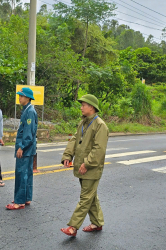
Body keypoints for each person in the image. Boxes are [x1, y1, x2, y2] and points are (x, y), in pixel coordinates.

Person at [60, 94, 109, 237]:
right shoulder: (83, 123)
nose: (81, 108)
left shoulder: (100, 125)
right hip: (83, 167)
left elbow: (99, 149)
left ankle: (73, 227)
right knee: (91, 196)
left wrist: (87, 164)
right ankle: (97, 223)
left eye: (83, 105)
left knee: (85, 197)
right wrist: (67, 156)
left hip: (91, 168)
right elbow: (75, 139)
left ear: (92, 107)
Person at [6, 87, 38, 210]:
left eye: (22, 96)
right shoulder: (27, 110)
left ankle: (19, 201)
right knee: (28, 173)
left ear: (28, 98)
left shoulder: (29, 111)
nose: (20, 98)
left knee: (21, 173)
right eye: (19, 96)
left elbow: (28, 133)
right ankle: (26, 197)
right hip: (29, 148)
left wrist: (21, 147)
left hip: (25, 148)